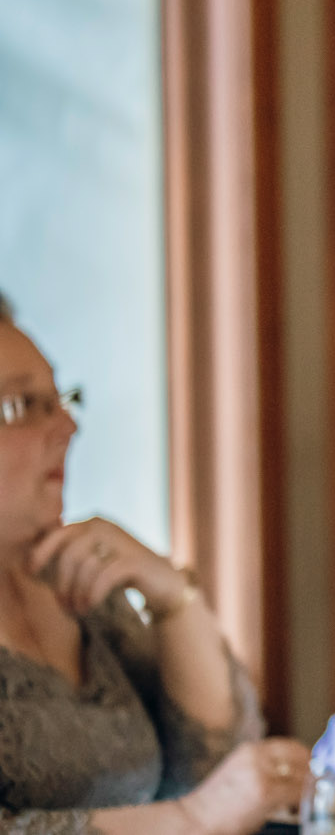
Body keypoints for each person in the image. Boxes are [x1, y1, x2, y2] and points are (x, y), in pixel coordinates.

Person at [0, 288, 310, 833]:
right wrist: (191, 818)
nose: (67, 429)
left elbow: (215, 768)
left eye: (62, 401)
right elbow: (204, 807)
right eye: (23, 407)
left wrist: (172, 598)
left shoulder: (76, 583)